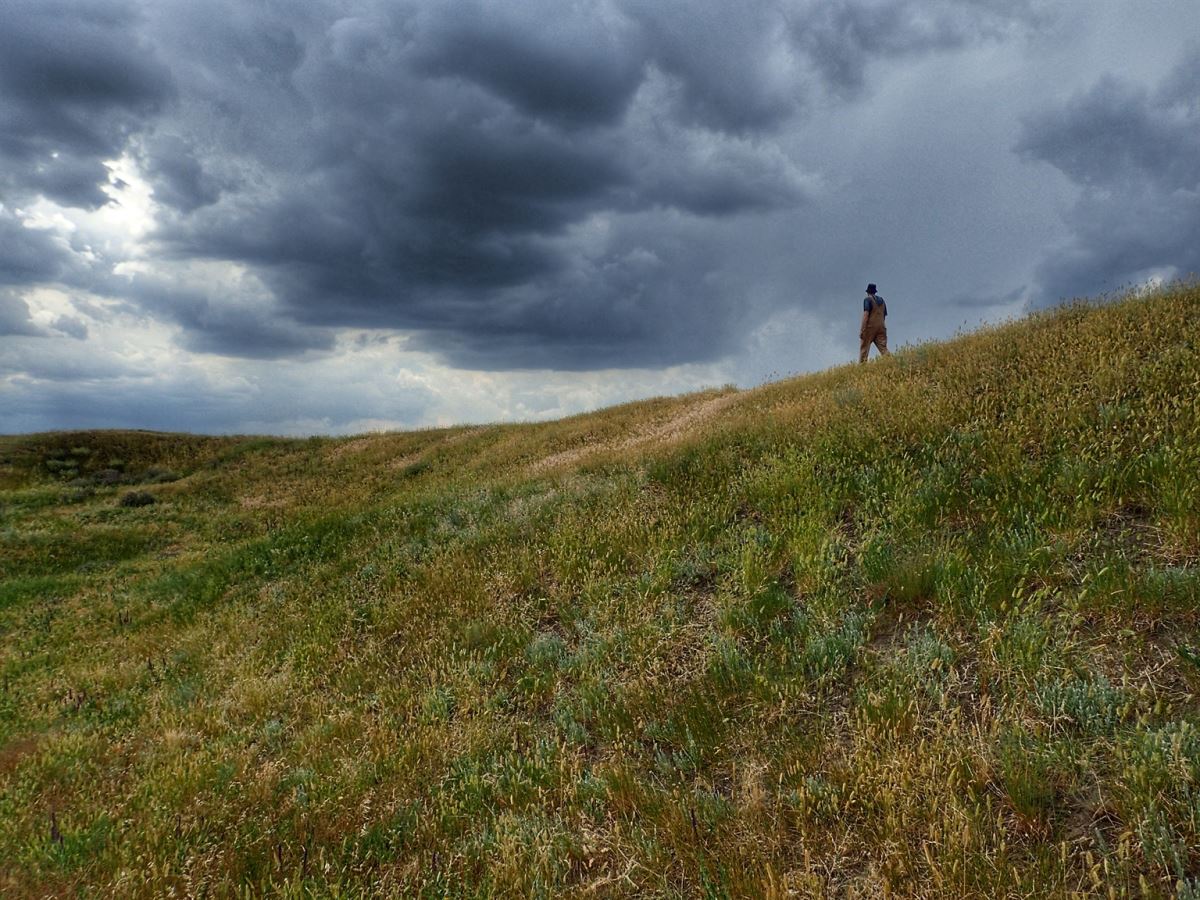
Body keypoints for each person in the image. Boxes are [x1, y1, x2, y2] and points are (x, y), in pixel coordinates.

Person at [859, 283, 889, 363]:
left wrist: (862, 330)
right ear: (875, 291)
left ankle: (862, 368)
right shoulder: (882, 301)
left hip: (870, 328)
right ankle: (891, 362)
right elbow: (884, 315)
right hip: (881, 327)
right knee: (883, 349)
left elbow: (866, 314)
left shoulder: (867, 300)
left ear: (868, 292)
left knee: (864, 349)